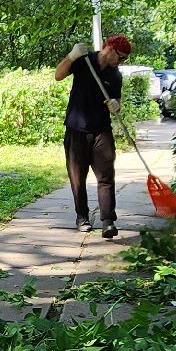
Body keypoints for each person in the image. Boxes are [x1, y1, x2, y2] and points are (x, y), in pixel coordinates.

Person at [54, 34, 130, 238]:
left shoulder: (115, 75)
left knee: (106, 176)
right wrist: (71, 57)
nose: (121, 63)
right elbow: (58, 75)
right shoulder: (84, 60)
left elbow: (117, 102)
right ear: (111, 50)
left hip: (101, 130)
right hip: (76, 128)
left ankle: (108, 221)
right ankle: (82, 217)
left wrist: (116, 106)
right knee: (77, 177)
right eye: (121, 57)